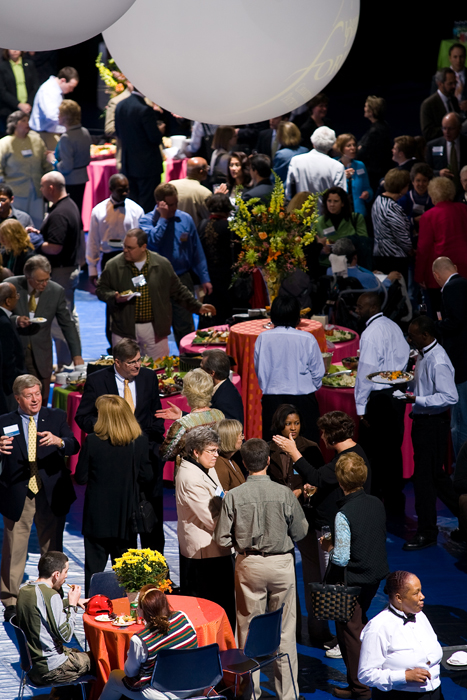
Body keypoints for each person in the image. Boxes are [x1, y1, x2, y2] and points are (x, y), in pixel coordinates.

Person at [214, 438, 308, 700]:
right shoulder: (285, 493)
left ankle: (249, 694)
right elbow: (301, 531)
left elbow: (221, 538)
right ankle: (287, 695)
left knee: (247, 630)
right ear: (268, 460)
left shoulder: (234, 496)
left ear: (244, 463)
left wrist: (241, 545)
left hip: (249, 565)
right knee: (285, 631)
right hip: (281, 565)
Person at [0, 375, 79, 621]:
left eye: (37, 394)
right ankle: (10, 600)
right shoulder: (4, 421)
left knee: (52, 549)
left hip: (51, 492)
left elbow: (74, 445)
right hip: (19, 493)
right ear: (18, 398)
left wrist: (59, 442)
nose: (35, 399)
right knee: (14, 548)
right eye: (28, 395)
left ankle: (52, 595)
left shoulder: (56, 416)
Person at [75, 338, 165, 553]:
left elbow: (156, 414)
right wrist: (110, 430)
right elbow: (83, 417)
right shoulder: (98, 381)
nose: (137, 365)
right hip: (114, 461)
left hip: (145, 458)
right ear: (117, 362)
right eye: (131, 362)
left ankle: (156, 569)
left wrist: (146, 441)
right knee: (124, 528)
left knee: (151, 521)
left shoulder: (148, 377)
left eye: (139, 360)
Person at [320, 452, 389, 700]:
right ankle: (363, 681)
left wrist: (328, 546)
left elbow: (341, 558)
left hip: (352, 581)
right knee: (359, 626)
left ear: (340, 482)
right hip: (375, 577)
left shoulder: (344, 513)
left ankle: (360, 688)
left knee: (350, 633)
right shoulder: (376, 503)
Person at [75, 395, 153, 594]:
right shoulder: (139, 442)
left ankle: (93, 609)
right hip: (126, 519)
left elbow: (81, 477)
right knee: (127, 578)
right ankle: (127, 610)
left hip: (97, 519)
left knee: (93, 575)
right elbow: (147, 477)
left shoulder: (92, 441)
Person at [96, 228, 215, 359]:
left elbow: (178, 290)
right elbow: (101, 290)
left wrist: (198, 307)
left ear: (143, 247)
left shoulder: (162, 264)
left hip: (154, 330)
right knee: (124, 369)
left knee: (158, 368)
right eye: (124, 246)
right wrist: (114, 297)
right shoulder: (113, 265)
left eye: (130, 248)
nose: (125, 250)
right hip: (124, 330)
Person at [402, 315, 459, 551]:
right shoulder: (424, 354)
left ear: (425, 335)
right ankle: (463, 513)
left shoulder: (438, 360)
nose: (409, 339)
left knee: (425, 480)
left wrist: (417, 399)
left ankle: (427, 532)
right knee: (436, 476)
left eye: (412, 335)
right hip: (424, 422)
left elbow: (450, 397)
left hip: (432, 424)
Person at [354, 292, 410, 513]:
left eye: (360, 307)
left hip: (379, 398)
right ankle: (395, 502)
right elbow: (405, 356)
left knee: (373, 454)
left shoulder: (370, 334)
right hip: (397, 392)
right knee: (393, 450)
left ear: (373, 307)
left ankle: (373, 502)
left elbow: (365, 374)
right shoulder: (394, 326)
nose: (356, 310)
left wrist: (360, 408)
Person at [176, 426, 235, 628]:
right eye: (211, 451)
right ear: (196, 451)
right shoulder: (191, 477)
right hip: (205, 555)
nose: (216, 455)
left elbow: (220, 497)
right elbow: (212, 520)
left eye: (217, 450)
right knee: (209, 613)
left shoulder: (206, 468)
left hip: (216, 548)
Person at [139, 184, 212, 346]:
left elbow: (196, 251)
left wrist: (204, 278)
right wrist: (163, 219)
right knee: (157, 327)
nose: (174, 208)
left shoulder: (185, 219)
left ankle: (188, 358)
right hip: (156, 281)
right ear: (159, 203)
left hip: (182, 278)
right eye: (170, 205)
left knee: (185, 325)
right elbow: (154, 241)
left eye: (176, 204)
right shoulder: (146, 221)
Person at [100, 585, 197, 700]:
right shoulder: (183, 617)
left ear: (141, 612)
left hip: (163, 694)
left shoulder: (141, 640)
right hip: (194, 685)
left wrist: (130, 653)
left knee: (114, 677)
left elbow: (130, 673)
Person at [358, 571, 444, 699]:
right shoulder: (378, 628)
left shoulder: (420, 616)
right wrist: (404, 676)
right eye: (416, 593)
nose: (422, 596)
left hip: (434, 693)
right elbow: (366, 674)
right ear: (399, 598)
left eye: (421, 591)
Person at [10, 255, 83, 404]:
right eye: (39, 281)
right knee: (14, 401)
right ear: (28, 277)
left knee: (40, 401)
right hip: (14, 354)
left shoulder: (56, 291)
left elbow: (67, 324)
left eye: (47, 279)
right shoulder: (11, 286)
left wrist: (76, 355)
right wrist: (16, 320)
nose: (44, 284)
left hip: (41, 356)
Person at [254, 294, 324, 442]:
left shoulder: (263, 338)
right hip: (303, 400)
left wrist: (270, 387)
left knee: (275, 448)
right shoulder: (307, 338)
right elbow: (318, 373)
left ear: (273, 315)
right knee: (306, 448)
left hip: (273, 400)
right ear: (297, 316)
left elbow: (260, 371)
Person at [16, 551, 92, 687]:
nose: (66, 576)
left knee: (78, 653)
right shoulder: (52, 595)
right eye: (66, 572)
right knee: (102, 660)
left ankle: (64, 695)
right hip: (53, 669)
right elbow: (66, 636)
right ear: (56, 575)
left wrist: (69, 602)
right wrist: (72, 605)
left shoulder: (24, 590)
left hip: (32, 668)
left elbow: (42, 608)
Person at [39, 170, 82, 368]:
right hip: (69, 269)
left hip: (61, 272)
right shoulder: (69, 205)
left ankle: (66, 364)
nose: (40, 190)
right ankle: (71, 360)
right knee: (69, 316)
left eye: (42, 186)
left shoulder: (60, 213)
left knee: (61, 319)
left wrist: (36, 242)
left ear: (51, 188)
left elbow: (55, 247)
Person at [415, 176, 467, 316]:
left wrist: (419, 275)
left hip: (440, 273)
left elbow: (423, 249)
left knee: (440, 313)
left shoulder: (429, 216)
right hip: (464, 268)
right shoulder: (464, 209)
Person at [433, 257, 467, 457]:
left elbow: (456, 321)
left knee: (460, 422)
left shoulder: (451, 289)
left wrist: (435, 326)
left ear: (436, 276)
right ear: (454, 267)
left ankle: (460, 469)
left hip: (461, 363)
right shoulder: (464, 283)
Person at [158, 368, 224, 462]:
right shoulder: (219, 415)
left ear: (186, 392)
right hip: (216, 466)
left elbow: (165, 454)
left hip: (190, 468)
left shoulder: (182, 425)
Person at [86, 174, 144, 283]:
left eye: (127, 190)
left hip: (132, 259)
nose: (125, 193)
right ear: (111, 189)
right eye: (120, 190)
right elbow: (93, 241)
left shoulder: (137, 210)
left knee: (136, 291)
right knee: (110, 292)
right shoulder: (98, 211)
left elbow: (141, 242)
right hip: (108, 258)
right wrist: (92, 269)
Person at [115, 87, 163, 212]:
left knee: (132, 204)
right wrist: (160, 131)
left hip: (128, 163)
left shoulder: (120, 105)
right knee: (147, 204)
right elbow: (154, 138)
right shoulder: (145, 109)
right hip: (147, 166)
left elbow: (118, 133)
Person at [0, 110, 51, 227]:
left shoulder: (37, 141)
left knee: (37, 223)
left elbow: (45, 165)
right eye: (23, 121)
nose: (27, 123)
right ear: (14, 124)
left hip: (36, 190)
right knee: (18, 223)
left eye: (28, 120)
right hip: (16, 192)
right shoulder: (4, 143)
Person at [198, 193, 237, 326]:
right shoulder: (230, 227)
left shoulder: (202, 225)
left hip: (207, 278)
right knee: (225, 314)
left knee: (209, 315)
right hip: (227, 278)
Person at [371, 168, 412, 281]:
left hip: (379, 254)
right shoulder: (392, 207)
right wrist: (411, 250)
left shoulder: (378, 199)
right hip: (393, 258)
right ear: (402, 187)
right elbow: (401, 236)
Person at [286, 126, 346, 201]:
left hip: (299, 207)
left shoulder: (296, 161)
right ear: (332, 145)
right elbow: (341, 196)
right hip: (325, 208)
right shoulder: (337, 166)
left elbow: (289, 192)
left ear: (312, 141)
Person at [53, 99, 91, 213]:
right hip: (82, 178)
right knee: (77, 211)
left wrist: (53, 161)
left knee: (70, 212)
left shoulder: (67, 137)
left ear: (66, 117)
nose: (58, 116)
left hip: (70, 181)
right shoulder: (85, 131)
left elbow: (66, 167)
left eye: (60, 114)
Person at [316, 186, 368, 269]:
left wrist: (335, 247)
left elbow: (363, 241)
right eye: (329, 201)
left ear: (343, 203)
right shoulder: (318, 221)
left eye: (336, 201)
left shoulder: (356, 218)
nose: (332, 205)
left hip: (349, 265)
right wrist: (320, 248)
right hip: (326, 265)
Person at [29, 67, 79, 150]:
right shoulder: (49, 90)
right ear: (63, 80)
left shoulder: (56, 90)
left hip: (51, 133)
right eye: (71, 86)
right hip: (44, 134)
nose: (71, 90)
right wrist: (68, 125)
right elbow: (52, 116)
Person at [357, 96, 392, 192]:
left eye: (366, 106)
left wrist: (359, 148)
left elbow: (362, 152)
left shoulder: (376, 131)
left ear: (371, 112)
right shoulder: (381, 125)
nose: (364, 109)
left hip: (375, 174)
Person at [425, 112, 467, 192]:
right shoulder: (433, 145)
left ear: (459, 127)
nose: (447, 132)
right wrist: (438, 173)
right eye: (444, 128)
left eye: (451, 128)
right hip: (442, 190)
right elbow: (427, 170)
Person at [200, 349, 244, 424]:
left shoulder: (225, 400)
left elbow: (230, 430)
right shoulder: (222, 388)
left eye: (201, 368)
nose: (199, 372)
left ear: (212, 373)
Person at [0, 282, 25, 409]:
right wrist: (12, 383)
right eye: (16, 296)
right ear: (8, 301)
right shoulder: (3, 322)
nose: (18, 298)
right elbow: (8, 356)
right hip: (7, 384)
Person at [334, 133, 372, 216]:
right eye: (349, 146)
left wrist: (367, 193)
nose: (353, 148)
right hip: (340, 212)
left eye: (354, 145)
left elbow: (368, 188)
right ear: (341, 148)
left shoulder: (360, 165)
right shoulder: (334, 165)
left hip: (359, 212)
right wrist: (343, 177)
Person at [420, 68, 460, 143]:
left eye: (455, 83)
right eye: (450, 83)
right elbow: (428, 132)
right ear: (440, 84)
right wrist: (450, 130)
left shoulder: (454, 100)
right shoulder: (428, 104)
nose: (454, 86)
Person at [170, 158, 212, 228]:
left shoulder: (171, 185)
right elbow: (209, 218)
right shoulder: (205, 193)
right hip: (193, 232)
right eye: (207, 168)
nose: (208, 170)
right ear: (201, 171)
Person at [0, 50, 38, 126]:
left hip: (29, 108)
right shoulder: (2, 67)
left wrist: (28, 104)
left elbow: (35, 86)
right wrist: (19, 104)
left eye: (17, 48)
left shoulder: (29, 64)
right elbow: (2, 91)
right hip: (9, 109)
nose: (15, 51)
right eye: (12, 48)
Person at [398, 163, 434, 230]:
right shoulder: (404, 199)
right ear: (412, 182)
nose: (421, 184)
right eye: (418, 180)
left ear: (429, 182)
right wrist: (413, 220)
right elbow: (398, 221)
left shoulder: (434, 199)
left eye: (424, 181)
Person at [214, 419, 245, 492]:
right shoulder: (220, 467)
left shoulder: (230, 459)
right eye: (240, 436)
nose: (243, 438)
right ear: (231, 440)